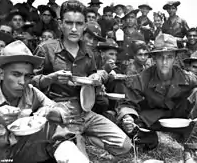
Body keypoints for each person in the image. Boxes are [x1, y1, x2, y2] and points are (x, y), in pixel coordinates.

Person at [33, 0, 132, 159]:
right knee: (78, 158)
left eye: (78, 24)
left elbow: (94, 80)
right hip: (59, 112)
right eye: (69, 23)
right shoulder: (46, 48)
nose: (74, 28)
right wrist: (50, 78)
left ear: (84, 25)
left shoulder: (89, 52)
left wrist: (96, 78)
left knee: (125, 146)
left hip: (85, 110)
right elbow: (29, 83)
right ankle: (74, 140)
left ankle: (85, 139)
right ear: (60, 24)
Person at [0, 40, 89, 163]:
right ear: (1, 74)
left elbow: (62, 111)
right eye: (16, 74)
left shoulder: (30, 92)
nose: (22, 82)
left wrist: (49, 112)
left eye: (27, 76)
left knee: (53, 125)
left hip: (20, 153)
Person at [120, 33, 197, 162]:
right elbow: (128, 102)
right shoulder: (143, 78)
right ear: (154, 58)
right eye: (161, 57)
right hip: (154, 120)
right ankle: (154, 141)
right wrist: (127, 117)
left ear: (175, 58)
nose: (165, 62)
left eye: (169, 57)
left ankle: (191, 148)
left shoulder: (186, 77)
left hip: (179, 117)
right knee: (130, 127)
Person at [117, 7, 144, 72]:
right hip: (119, 65)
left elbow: (142, 54)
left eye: (132, 17)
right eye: (128, 17)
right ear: (125, 19)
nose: (130, 20)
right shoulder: (119, 33)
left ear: (135, 19)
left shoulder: (139, 36)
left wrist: (135, 60)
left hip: (134, 67)